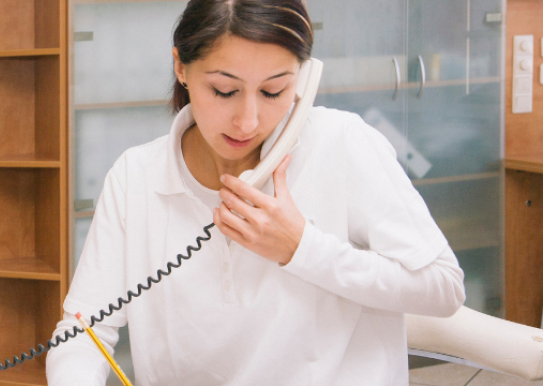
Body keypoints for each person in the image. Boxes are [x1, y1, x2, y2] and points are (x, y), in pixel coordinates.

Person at [46, 0, 466, 384]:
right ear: (181, 67)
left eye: (274, 91)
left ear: (303, 80)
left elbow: (444, 287)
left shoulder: (342, 144)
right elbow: (83, 331)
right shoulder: (136, 175)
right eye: (224, 91)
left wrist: (302, 248)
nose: (248, 121)